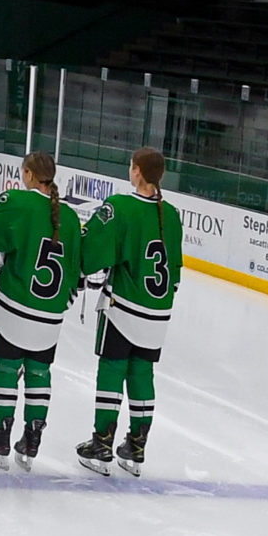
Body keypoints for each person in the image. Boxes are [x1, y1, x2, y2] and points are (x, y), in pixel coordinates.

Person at [0, 151, 84, 469]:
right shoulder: (72, 217)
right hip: (50, 316)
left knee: (6, 369)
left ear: (30, 175)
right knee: (39, 373)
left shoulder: (19, 202)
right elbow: (79, 270)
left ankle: (0, 437)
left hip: (14, 307)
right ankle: (32, 439)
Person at [77, 146, 181, 476]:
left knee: (112, 371)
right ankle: (136, 447)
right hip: (158, 313)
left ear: (137, 171)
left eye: (131, 166)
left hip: (123, 308)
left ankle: (102, 443)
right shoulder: (172, 214)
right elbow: (175, 271)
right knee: (142, 375)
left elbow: (93, 249)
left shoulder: (120, 206)